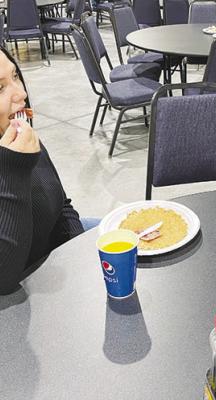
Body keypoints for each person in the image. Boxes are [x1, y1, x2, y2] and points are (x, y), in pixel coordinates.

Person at [0, 47, 84, 295]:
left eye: (15, 76)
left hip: (58, 267)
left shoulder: (17, 133)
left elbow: (62, 206)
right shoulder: (15, 152)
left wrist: (81, 253)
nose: (21, 93)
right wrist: (13, 167)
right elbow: (4, 278)